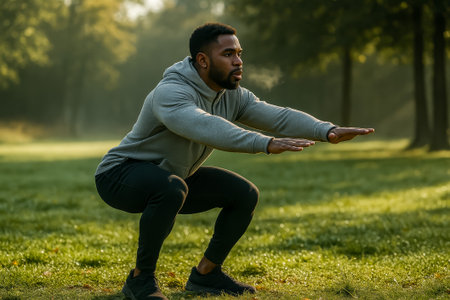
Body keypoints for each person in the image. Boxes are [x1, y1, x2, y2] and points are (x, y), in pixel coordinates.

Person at [94, 22, 374, 300]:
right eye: (228, 54)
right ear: (203, 60)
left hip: (174, 177)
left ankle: (206, 275)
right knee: (171, 188)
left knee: (244, 194)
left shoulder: (231, 96)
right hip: (120, 175)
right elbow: (204, 125)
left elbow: (277, 116)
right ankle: (140, 280)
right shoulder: (171, 92)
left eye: (240, 53)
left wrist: (327, 130)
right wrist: (264, 143)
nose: (238, 61)